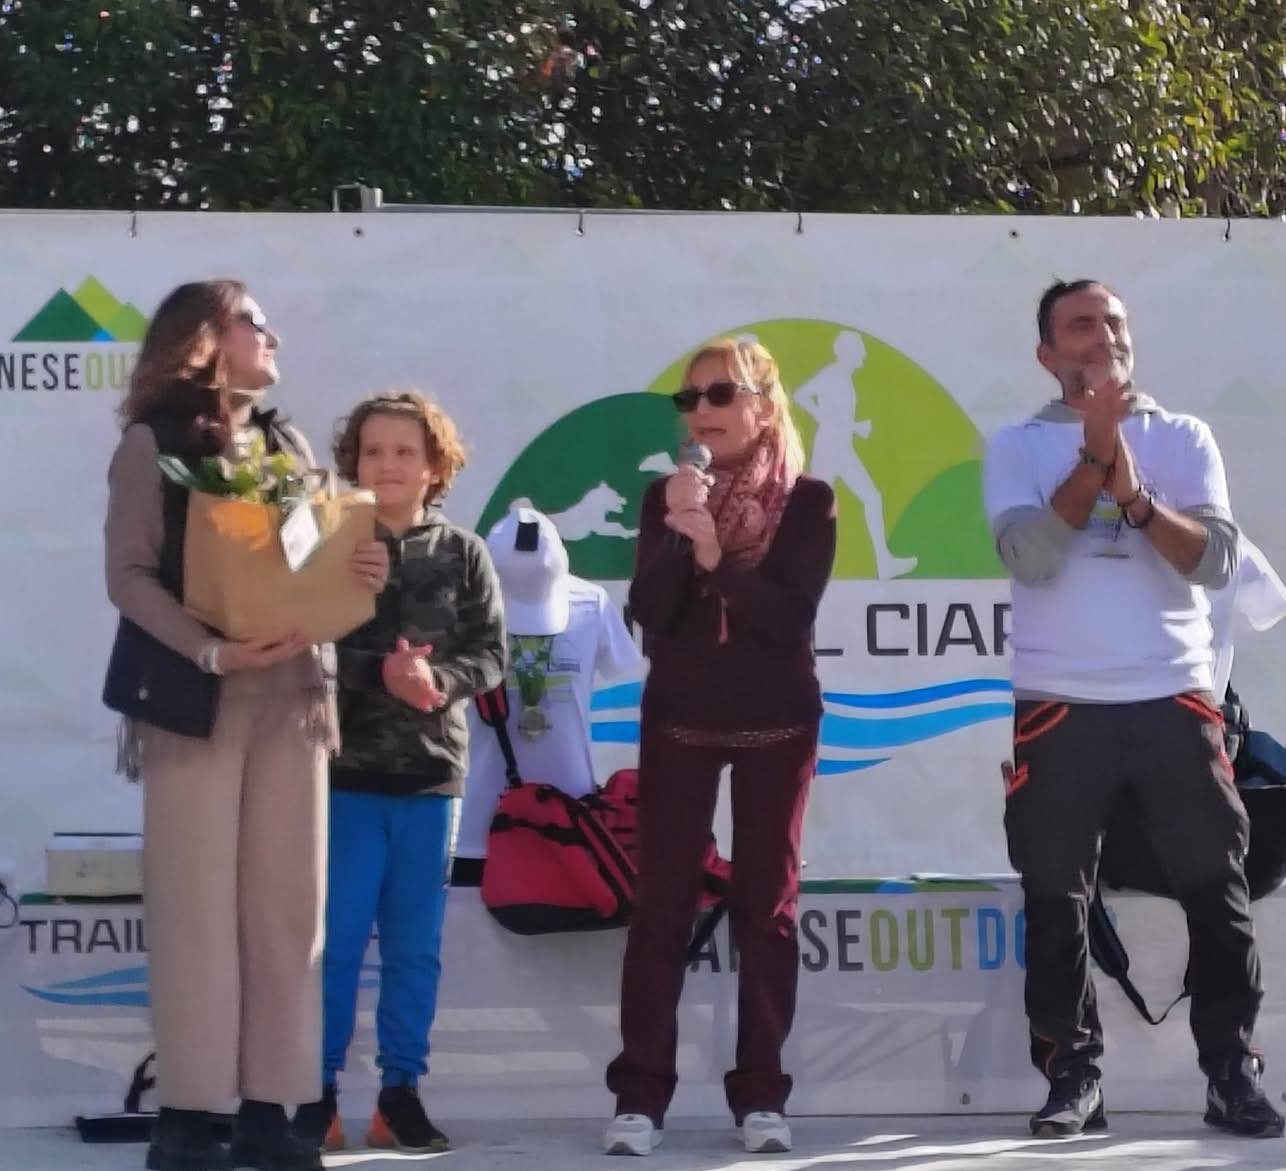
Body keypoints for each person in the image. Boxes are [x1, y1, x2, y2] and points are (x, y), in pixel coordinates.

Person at [983, 279, 1283, 1139]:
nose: (1103, 332)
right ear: (1048, 354)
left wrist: (1138, 495)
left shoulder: (1183, 436)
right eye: (1081, 323)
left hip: (1175, 695)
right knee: (1055, 894)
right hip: (1058, 702)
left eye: (1113, 320)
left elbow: (1216, 560)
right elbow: (1031, 556)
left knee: (1216, 887)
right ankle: (1073, 1076)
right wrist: (1093, 457)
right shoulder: (1016, 444)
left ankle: (1230, 1071)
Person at [102, 280, 389, 1171]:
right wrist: (213, 651)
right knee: (196, 909)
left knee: (287, 913)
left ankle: (275, 1107)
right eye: (255, 322)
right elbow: (129, 575)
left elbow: (309, 553)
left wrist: (362, 567)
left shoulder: (286, 441)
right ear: (205, 336)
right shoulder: (151, 445)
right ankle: (189, 1117)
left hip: (294, 698)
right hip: (196, 699)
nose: (273, 336)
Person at [603, 338, 836, 1156]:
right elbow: (650, 611)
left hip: (777, 720)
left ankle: (762, 1094)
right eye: (689, 398)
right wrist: (681, 532)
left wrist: (718, 560)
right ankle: (640, 1097)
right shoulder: (664, 497)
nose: (701, 410)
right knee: (660, 905)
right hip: (681, 717)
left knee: (765, 906)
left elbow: (789, 616)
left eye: (720, 393)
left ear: (763, 407)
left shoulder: (809, 501)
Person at [293, 391, 506, 1154]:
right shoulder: (325, 542)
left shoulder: (464, 552)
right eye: (373, 451)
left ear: (435, 466)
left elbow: (491, 654)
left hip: (430, 778)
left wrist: (436, 682)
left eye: (404, 451)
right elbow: (297, 640)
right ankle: (315, 1094)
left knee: (414, 948)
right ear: (353, 463)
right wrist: (374, 670)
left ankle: (400, 1093)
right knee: (337, 943)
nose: (387, 464)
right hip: (343, 775)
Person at [453, 505, 642, 884]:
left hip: (569, 815)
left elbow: (624, 665)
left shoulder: (592, 603)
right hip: (476, 825)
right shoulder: (460, 606)